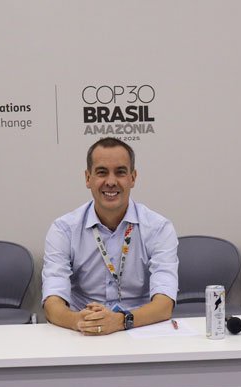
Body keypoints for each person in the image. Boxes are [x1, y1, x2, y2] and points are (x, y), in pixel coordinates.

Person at [42, 137, 178, 335]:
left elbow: (164, 303)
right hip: (83, 330)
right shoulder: (64, 229)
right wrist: (78, 321)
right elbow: (52, 300)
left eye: (120, 172)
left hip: (140, 328)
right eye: (102, 172)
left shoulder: (159, 228)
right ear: (88, 178)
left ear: (133, 178)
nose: (111, 182)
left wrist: (119, 321)